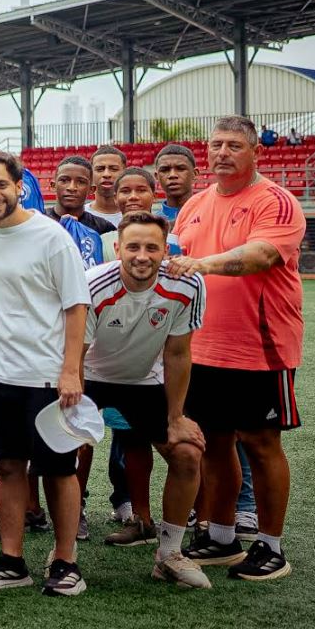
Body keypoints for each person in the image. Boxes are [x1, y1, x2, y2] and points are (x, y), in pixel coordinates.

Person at [167, 115, 305, 581]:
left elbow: (262, 255)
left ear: (255, 152)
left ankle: (271, 546)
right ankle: (222, 536)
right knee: (215, 443)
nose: (222, 152)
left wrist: (200, 263)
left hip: (260, 348)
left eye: (233, 145)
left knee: (261, 442)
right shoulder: (194, 206)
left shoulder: (277, 202)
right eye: (216, 144)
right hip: (201, 348)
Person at [0, 150, 90, 596]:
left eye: (1, 185)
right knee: (10, 466)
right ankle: (13, 560)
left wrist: (70, 371)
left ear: (20, 186)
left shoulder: (51, 237)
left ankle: (66, 561)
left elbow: (77, 304)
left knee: (58, 470)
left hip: (46, 376)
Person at [80, 213, 209, 587]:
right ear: (117, 249)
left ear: (164, 251)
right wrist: (68, 401)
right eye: (133, 247)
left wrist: (176, 417)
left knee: (187, 451)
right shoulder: (93, 284)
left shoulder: (187, 284)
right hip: (90, 375)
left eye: (152, 247)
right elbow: (76, 349)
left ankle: (169, 553)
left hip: (143, 379)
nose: (142, 255)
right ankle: (63, 554)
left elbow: (179, 354)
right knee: (63, 450)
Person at [102, 167, 183, 261]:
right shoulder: (102, 241)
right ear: (115, 198)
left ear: (154, 196)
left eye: (141, 190)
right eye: (125, 191)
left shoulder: (175, 241)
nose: (133, 197)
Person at [52, 155, 118, 236]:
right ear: (53, 186)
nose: (72, 187)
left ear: (91, 189)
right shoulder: (37, 222)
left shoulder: (104, 228)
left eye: (81, 182)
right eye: (64, 180)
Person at [87, 146, 128, 227]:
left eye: (114, 169)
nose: (106, 174)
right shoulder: (79, 217)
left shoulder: (137, 217)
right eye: (100, 169)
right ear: (91, 174)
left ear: (124, 173)